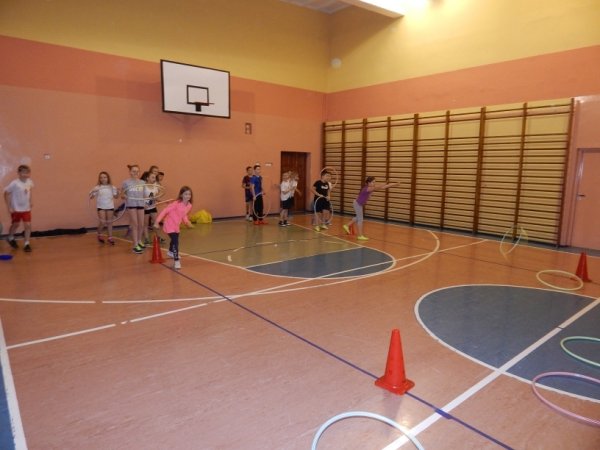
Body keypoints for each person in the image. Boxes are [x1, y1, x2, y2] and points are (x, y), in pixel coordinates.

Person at [343, 176, 398, 241]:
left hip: (358, 204)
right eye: (373, 182)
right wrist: (384, 183)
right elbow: (379, 187)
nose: (374, 183)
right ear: (369, 183)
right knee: (360, 219)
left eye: (375, 182)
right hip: (357, 204)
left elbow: (383, 187)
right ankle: (360, 236)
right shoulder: (368, 188)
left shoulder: (371, 188)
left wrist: (394, 184)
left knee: (358, 217)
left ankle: (346, 225)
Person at [154, 186, 194, 270]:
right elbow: (165, 211)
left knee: (174, 240)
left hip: (176, 226)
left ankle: (170, 251)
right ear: (181, 195)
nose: (188, 196)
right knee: (175, 241)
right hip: (169, 225)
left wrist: (187, 222)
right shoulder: (176, 203)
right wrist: (157, 221)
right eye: (186, 194)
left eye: (189, 194)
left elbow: (183, 215)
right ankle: (176, 261)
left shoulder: (189, 205)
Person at [3, 164, 34, 252]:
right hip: (16, 209)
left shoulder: (30, 182)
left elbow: (30, 191)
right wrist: (9, 207)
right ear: (19, 173)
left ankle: (27, 244)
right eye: (23, 172)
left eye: (27, 172)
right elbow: (6, 193)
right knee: (16, 224)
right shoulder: (15, 183)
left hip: (26, 209)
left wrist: (30, 201)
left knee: (28, 225)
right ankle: (10, 237)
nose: (25, 174)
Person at [89, 171, 119, 245]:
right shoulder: (97, 187)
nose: (103, 179)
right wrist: (92, 192)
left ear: (108, 178)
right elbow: (91, 197)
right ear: (99, 179)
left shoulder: (112, 187)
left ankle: (110, 237)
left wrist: (118, 192)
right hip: (101, 207)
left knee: (109, 222)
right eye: (101, 177)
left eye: (105, 177)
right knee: (102, 222)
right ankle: (99, 233)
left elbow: (116, 197)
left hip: (110, 206)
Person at [122, 164, 146, 254]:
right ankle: (135, 245)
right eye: (134, 171)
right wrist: (125, 196)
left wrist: (146, 202)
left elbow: (144, 195)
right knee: (135, 224)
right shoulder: (126, 182)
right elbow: (122, 194)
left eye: (137, 171)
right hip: (131, 204)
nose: (136, 173)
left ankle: (139, 240)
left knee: (141, 224)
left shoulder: (142, 182)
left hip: (140, 204)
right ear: (130, 172)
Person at [142, 171, 160, 245]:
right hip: (145, 207)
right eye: (152, 177)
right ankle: (146, 239)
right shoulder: (144, 186)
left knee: (156, 222)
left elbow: (155, 197)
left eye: (155, 177)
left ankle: (158, 237)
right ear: (147, 178)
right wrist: (143, 204)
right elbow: (140, 196)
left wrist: (161, 200)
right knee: (145, 224)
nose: (154, 179)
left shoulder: (155, 186)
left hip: (153, 207)